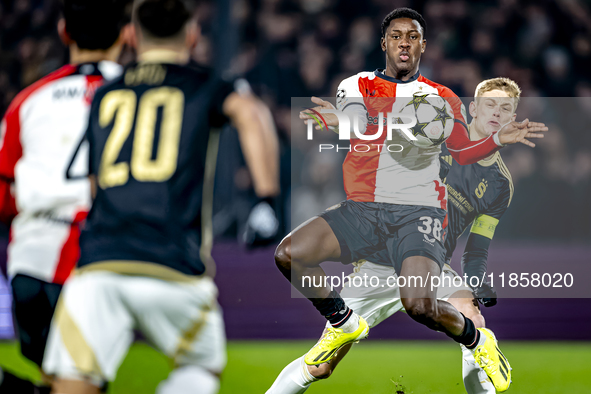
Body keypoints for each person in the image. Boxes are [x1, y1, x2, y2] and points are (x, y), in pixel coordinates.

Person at [274, 8, 545, 392]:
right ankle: (343, 321)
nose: (405, 42)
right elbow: (357, 122)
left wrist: (498, 140)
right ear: (384, 43)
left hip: (418, 222)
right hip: (366, 218)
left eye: (413, 36)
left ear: (423, 45)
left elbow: (465, 154)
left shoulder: (445, 100)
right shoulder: (357, 85)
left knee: (437, 308)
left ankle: (478, 342)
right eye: (397, 35)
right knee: (291, 264)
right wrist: (354, 124)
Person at [41, 0, 279, 393]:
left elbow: (95, 182)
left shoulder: (106, 95)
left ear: (131, 36)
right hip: (172, 262)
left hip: (101, 262)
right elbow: (251, 114)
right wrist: (266, 200)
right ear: (192, 35)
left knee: (74, 380)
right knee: (200, 367)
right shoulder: (206, 85)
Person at [0, 1, 129, 392]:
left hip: (30, 260)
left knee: (57, 380)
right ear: (126, 35)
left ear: (63, 31)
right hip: (94, 259)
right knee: (79, 385)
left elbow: (5, 192)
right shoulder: (141, 92)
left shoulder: (28, 100)